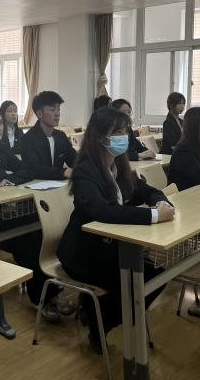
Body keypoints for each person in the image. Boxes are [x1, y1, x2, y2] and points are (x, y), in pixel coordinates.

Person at [57, 107, 174, 352]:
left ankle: (100, 316)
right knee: (133, 282)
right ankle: (99, 322)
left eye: (126, 130)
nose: (125, 136)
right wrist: (153, 215)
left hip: (113, 247)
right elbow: (103, 211)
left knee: (157, 274)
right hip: (83, 252)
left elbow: (148, 191)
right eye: (118, 131)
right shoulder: (85, 171)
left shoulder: (120, 165)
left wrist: (161, 202)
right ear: (100, 136)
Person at [0, 106, 74, 321]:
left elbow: (26, 171)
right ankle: (42, 298)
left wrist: (5, 179)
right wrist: (3, 174)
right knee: (24, 240)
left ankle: (52, 289)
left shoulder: (3, 148)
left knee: (36, 226)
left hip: (1, 213)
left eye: (0, 123)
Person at [21, 91, 77, 180]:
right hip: (35, 185)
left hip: (59, 185)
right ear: (39, 114)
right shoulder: (28, 139)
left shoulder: (61, 136)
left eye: (58, 109)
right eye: (52, 109)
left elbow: (74, 160)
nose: (57, 114)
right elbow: (34, 169)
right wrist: (63, 172)